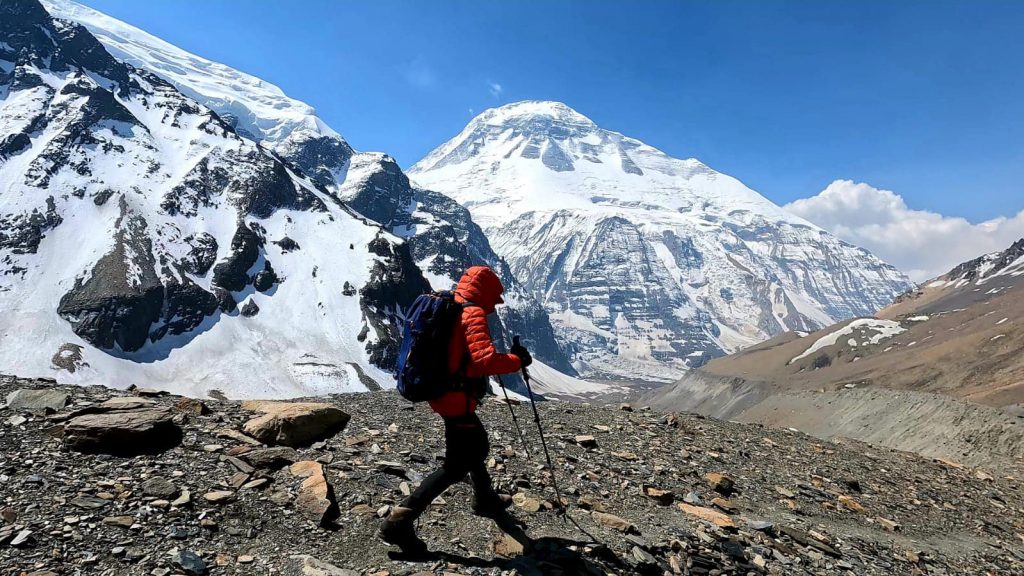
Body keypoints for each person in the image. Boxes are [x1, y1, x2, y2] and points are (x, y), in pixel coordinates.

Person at [379, 265, 532, 554]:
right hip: (455, 397)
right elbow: (484, 361)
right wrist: (516, 360)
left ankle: (485, 499)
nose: (495, 304)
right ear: (486, 291)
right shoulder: (471, 313)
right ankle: (399, 522)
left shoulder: (450, 303)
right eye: (494, 296)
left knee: (475, 446)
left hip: (442, 392)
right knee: (457, 464)